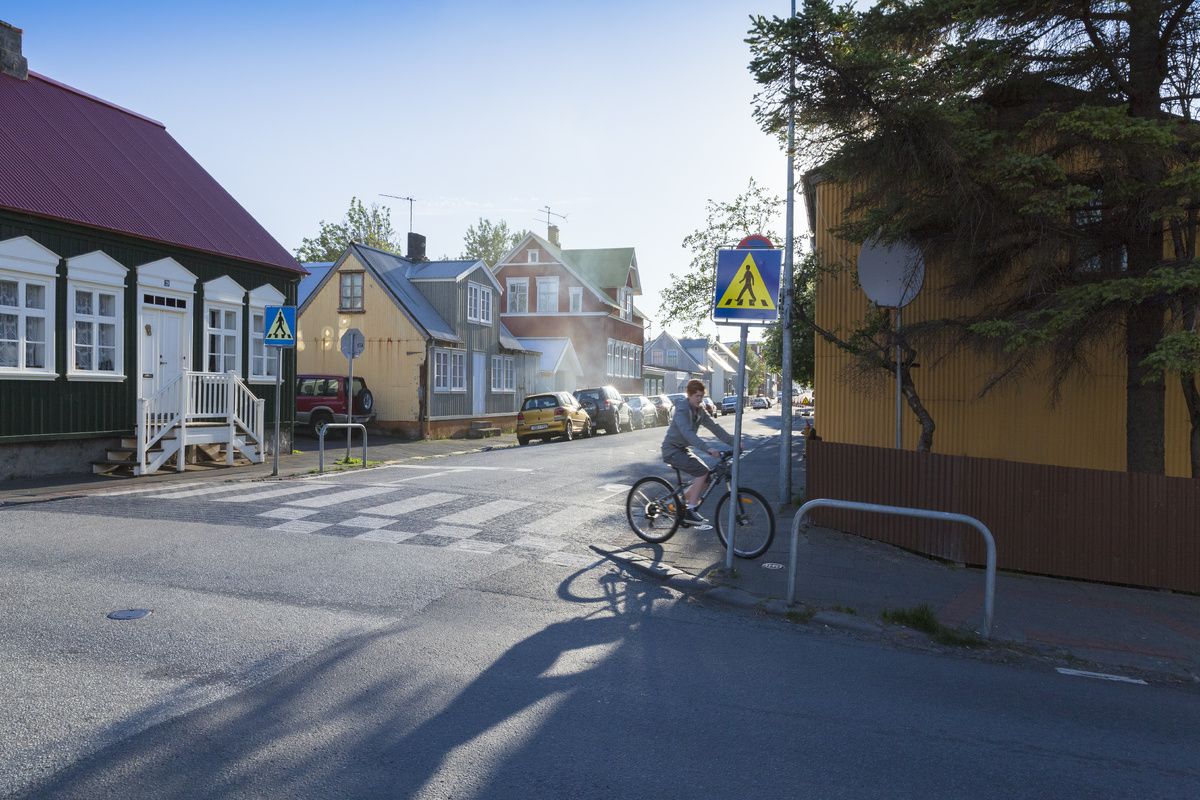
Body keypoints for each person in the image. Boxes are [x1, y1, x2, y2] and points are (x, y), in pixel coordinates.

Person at [662, 379, 733, 527]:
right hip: (672, 449)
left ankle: (674, 504)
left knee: (706, 479)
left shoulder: (700, 410)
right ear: (689, 395)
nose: (699, 399)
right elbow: (688, 433)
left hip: (682, 449)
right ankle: (691, 508)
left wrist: (734, 442)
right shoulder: (682, 409)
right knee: (702, 472)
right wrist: (707, 449)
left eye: (701, 396)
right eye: (697, 396)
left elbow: (715, 427)